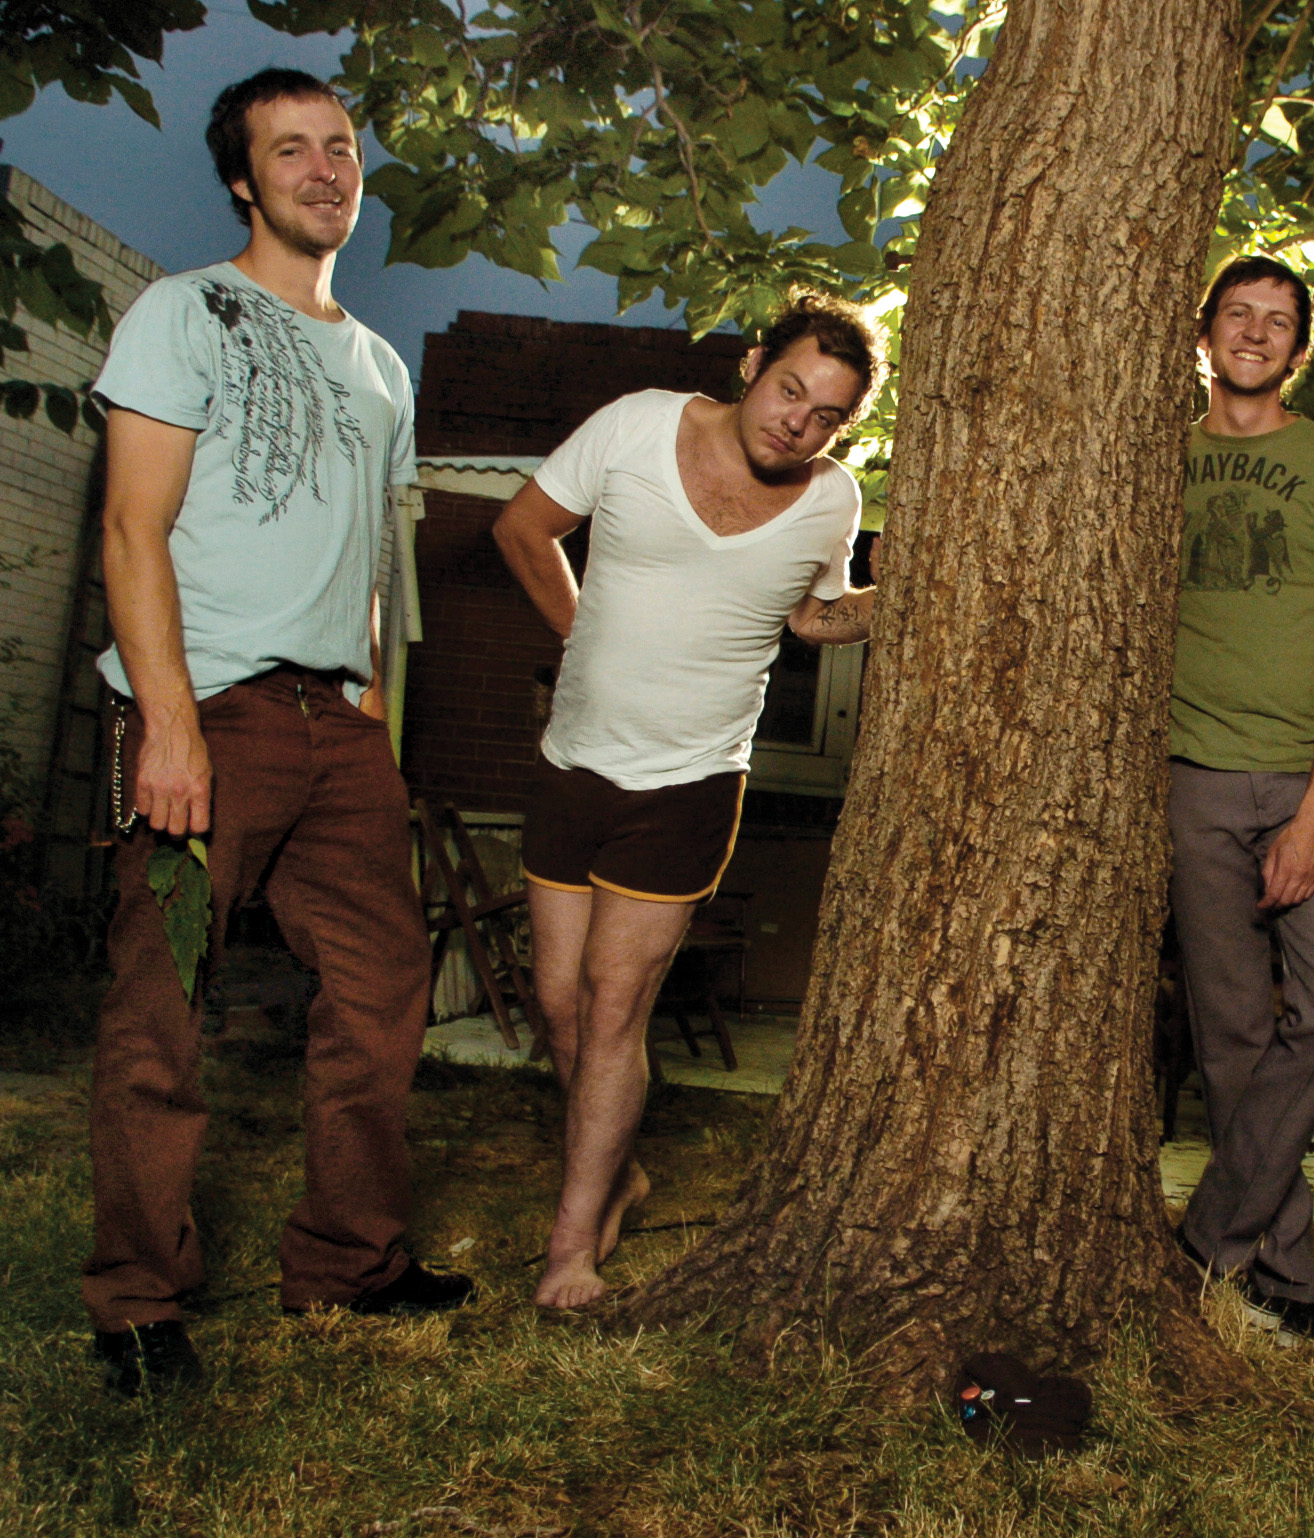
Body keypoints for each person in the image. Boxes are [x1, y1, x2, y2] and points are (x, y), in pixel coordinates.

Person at [86, 69, 473, 1396]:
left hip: (335, 723)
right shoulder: (181, 310)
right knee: (162, 1010)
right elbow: (132, 527)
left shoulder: (377, 364)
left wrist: (370, 703)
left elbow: (372, 559)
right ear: (244, 181)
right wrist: (170, 725)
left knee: (380, 996)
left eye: (342, 147)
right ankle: (136, 1300)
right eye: (290, 150)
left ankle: (349, 1263)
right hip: (212, 709)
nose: (323, 169)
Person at [494, 293, 884, 1309]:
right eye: (788, 389)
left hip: (690, 781)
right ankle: (616, 1165)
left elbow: (809, 615)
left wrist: (903, 597)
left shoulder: (832, 499)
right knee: (559, 1003)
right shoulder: (634, 424)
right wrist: (581, 638)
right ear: (753, 363)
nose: (795, 422)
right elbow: (524, 529)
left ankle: (570, 1249)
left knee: (616, 1009)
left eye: (824, 415)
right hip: (572, 763)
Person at [1168, 256, 1314, 1347]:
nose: (1254, 332)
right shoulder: (1158, 455)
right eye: (1236, 314)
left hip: (1296, 776)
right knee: (1230, 1035)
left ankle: (1209, 1229)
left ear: (1299, 348)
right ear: (1203, 334)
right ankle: (1282, 1272)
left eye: (1276, 320)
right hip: (1187, 776)